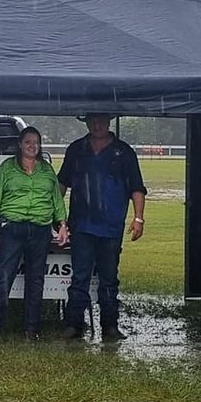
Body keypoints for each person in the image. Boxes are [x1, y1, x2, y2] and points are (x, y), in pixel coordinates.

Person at [59, 113, 146, 340]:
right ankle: (73, 325)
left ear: (108, 122)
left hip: (111, 226)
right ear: (86, 122)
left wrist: (139, 218)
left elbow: (137, 187)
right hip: (81, 225)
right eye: (93, 121)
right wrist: (58, 217)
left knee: (109, 278)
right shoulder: (76, 149)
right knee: (80, 277)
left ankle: (110, 326)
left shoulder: (124, 152)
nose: (97, 125)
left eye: (101, 121)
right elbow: (62, 183)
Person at [0, 125, 69, 341]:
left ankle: (32, 329)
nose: (32, 146)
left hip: (40, 229)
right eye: (28, 142)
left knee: (36, 279)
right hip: (13, 226)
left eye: (36, 142)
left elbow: (56, 199)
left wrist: (62, 224)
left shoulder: (47, 170)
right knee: (4, 276)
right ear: (20, 145)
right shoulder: (7, 168)